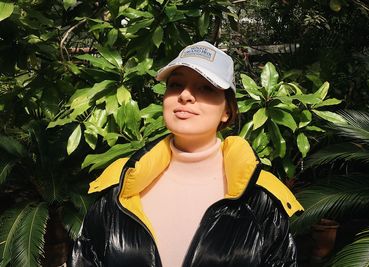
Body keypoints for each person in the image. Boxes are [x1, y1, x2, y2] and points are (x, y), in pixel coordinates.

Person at [68, 41, 304, 267]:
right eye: (176, 85)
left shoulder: (259, 195)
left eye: (205, 88)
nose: (185, 95)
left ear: (227, 110)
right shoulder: (122, 183)